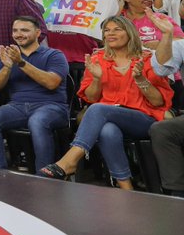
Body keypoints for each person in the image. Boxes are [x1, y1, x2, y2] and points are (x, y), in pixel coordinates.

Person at [39, 16, 172, 188]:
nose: (111, 33)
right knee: (107, 131)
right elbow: (92, 97)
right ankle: (127, 188)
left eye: (117, 29)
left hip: (143, 119)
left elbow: (158, 101)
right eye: (107, 30)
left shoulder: (147, 59)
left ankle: (69, 161)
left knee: (98, 109)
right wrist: (96, 79)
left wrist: (140, 79)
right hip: (105, 118)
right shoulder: (98, 59)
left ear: (130, 32)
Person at [0, 17, 71, 172]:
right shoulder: (9, 55)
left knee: (38, 120)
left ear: (38, 33)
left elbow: (51, 83)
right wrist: (7, 67)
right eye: (15, 30)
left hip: (52, 107)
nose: (18, 34)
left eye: (24, 30)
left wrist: (21, 63)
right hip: (17, 107)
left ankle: (44, 177)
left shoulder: (54, 55)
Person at [148, 12, 184, 197]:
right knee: (163, 130)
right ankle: (177, 195)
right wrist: (167, 36)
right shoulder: (181, 45)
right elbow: (161, 68)